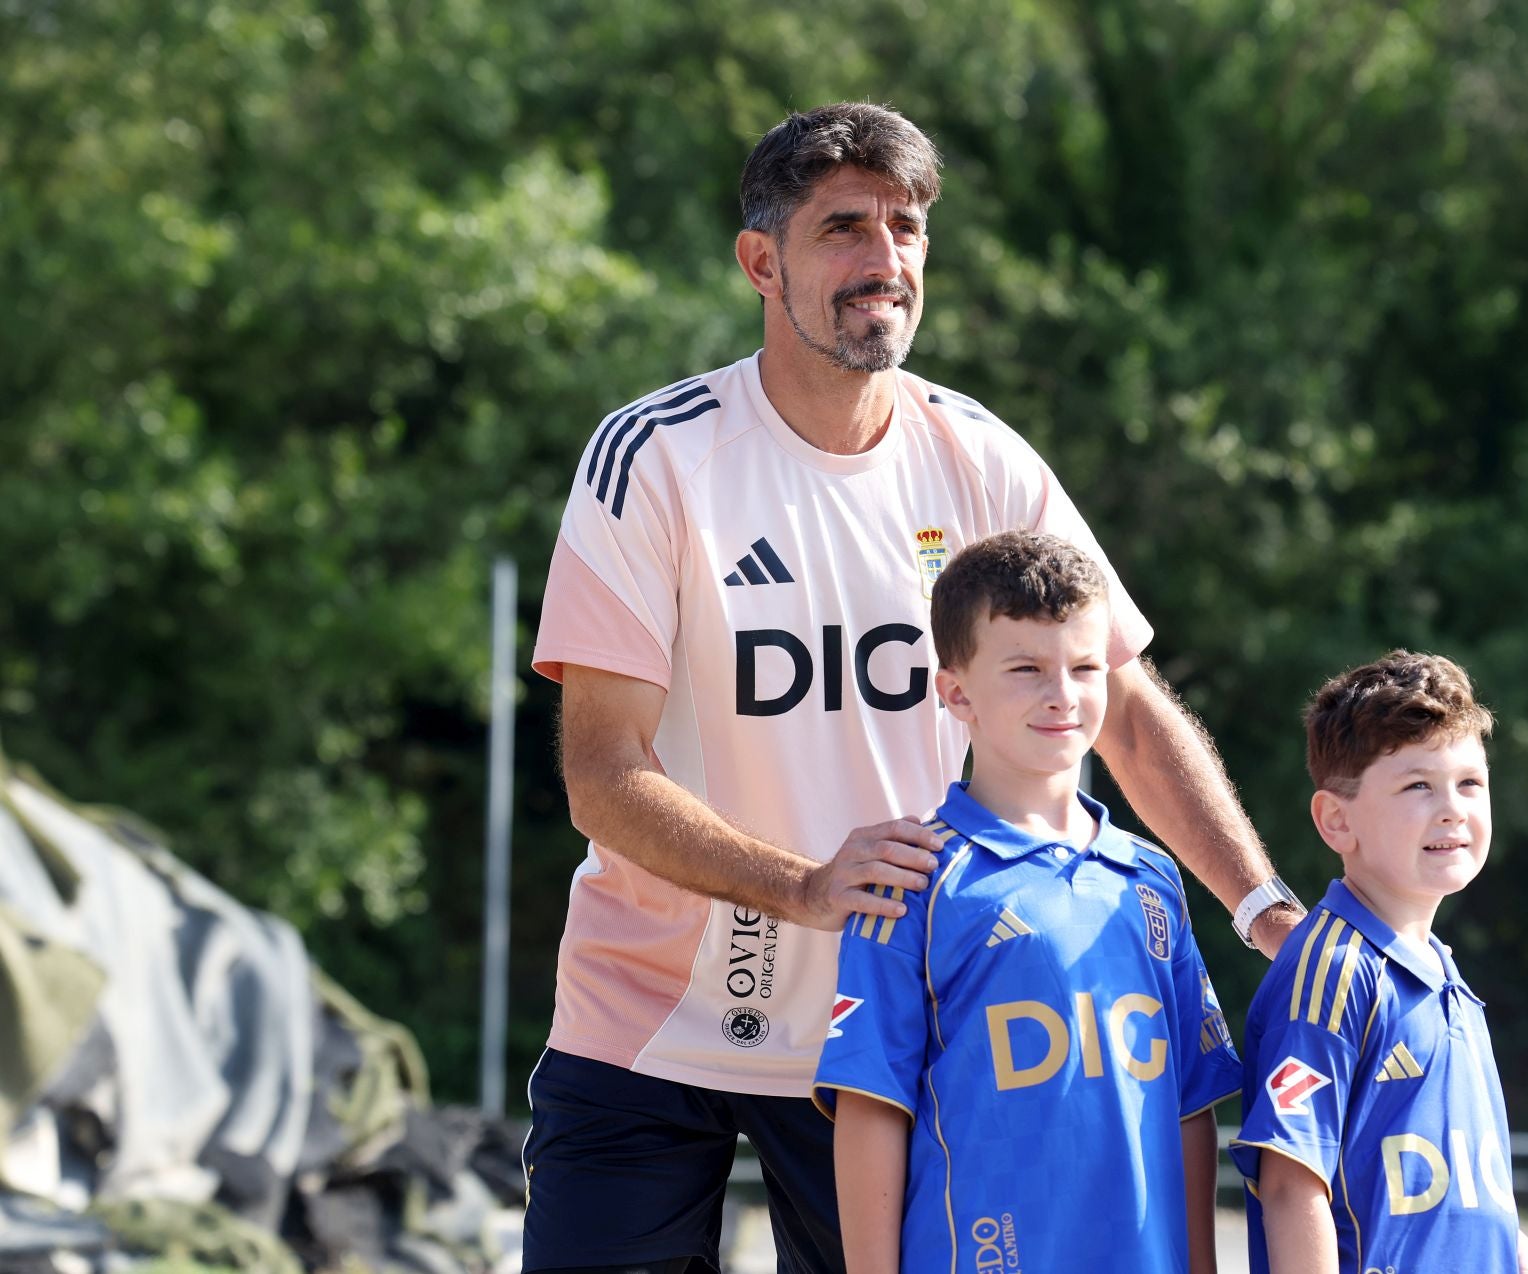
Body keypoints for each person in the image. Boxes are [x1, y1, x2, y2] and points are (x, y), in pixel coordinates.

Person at [522, 101, 1303, 1274]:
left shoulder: (982, 457)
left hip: (891, 1039)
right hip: (650, 1030)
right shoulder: (658, 455)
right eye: (844, 227)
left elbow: (1125, 705)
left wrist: (1262, 906)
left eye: (909, 226)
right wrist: (804, 883)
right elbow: (604, 771)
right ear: (760, 260)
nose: (884, 259)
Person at [814, 531, 1241, 1274]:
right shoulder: (912, 876)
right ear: (955, 692)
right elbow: (870, 1106)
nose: (1062, 695)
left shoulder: (1150, 879)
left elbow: (1191, 1107)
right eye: (1025, 669)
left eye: (1084, 668)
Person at [1229, 651, 1528, 1274]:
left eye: (1470, 782)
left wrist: (1507, 1245)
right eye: (1417, 786)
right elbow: (1291, 1186)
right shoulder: (1332, 972)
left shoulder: (1444, 976)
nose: (1453, 808)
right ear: (1336, 820)